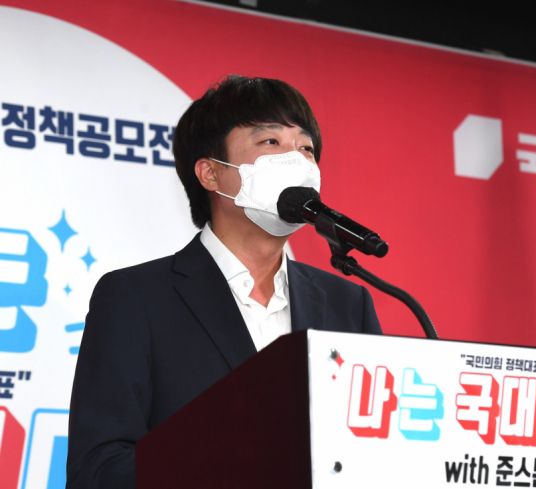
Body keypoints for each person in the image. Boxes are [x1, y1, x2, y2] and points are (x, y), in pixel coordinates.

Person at [66, 75, 382, 489]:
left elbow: (375, 451)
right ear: (211, 174)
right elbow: (99, 469)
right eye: (270, 141)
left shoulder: (348, 303)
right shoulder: (135, 298)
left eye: (306, 148)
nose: (297, 160)